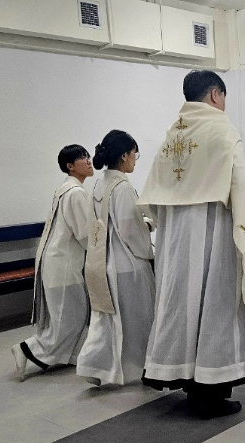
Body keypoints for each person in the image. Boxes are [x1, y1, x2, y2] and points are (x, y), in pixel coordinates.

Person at [137, 70, 245, 418]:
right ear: (215, 95)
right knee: (216, 308)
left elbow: (154, 202)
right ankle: (210, 393)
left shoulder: (171, 136)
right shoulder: (221, 129)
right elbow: (241, 188)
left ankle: (185, 379)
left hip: (175, 243)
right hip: (214, 238)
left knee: (182, 307)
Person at [76, 130, 155, 386]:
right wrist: (148, 232)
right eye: (134, 154)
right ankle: (136, 368)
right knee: (136, 323)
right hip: (127, 265)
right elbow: (130, 230)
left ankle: (96, 366)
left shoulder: (99, 184)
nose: (135, 160)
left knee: (107, 322)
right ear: (123, 156)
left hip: (102, 262)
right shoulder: (122, 187)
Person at [11, 145, 93, 380]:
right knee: (69, 319)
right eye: (82, 158)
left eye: (88, 156)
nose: (89, 160)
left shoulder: (65, 190)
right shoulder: (75, 193)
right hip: (64, 265)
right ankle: (26, 349)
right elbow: (85, 234)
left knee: (70, 317)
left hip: (56, 262)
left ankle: (75, 358)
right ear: (70, 166)